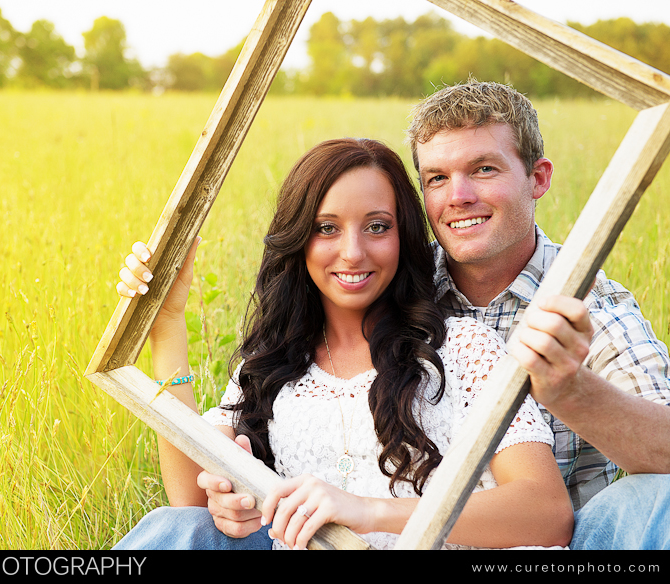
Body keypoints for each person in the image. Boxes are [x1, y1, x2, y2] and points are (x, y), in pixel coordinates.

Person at [113, 137, 573, 550]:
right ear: (299, 241)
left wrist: (365, 511)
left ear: (403, 236)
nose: (352, 252)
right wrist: (167, 323)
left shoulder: (464, 350)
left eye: (376, 226)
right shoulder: (270, 364)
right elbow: (188, 504)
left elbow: (547, 513)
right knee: (174, 530)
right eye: (327, 228)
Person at [404, 79, 670, 550]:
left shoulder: (588, 301)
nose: (458, 196)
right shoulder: (400, 287)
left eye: (483, 169)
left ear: (538, 178)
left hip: (558, 545)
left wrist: (571, 391)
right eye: (437, 178)